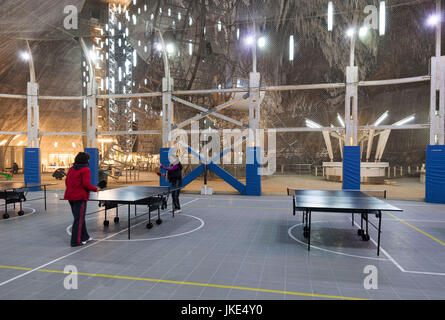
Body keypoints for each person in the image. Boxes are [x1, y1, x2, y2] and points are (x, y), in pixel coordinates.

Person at [64, 152, 98, 247]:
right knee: (78, 220)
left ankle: (85, 237)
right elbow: (86, 184)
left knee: (79, 218)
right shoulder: (85, 170)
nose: (88, 161)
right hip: (80, 197)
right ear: (85, 160)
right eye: (88, 159)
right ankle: (75, 241)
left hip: (70, 197)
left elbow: (67, 182)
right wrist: (96, 189)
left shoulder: (71, 169)